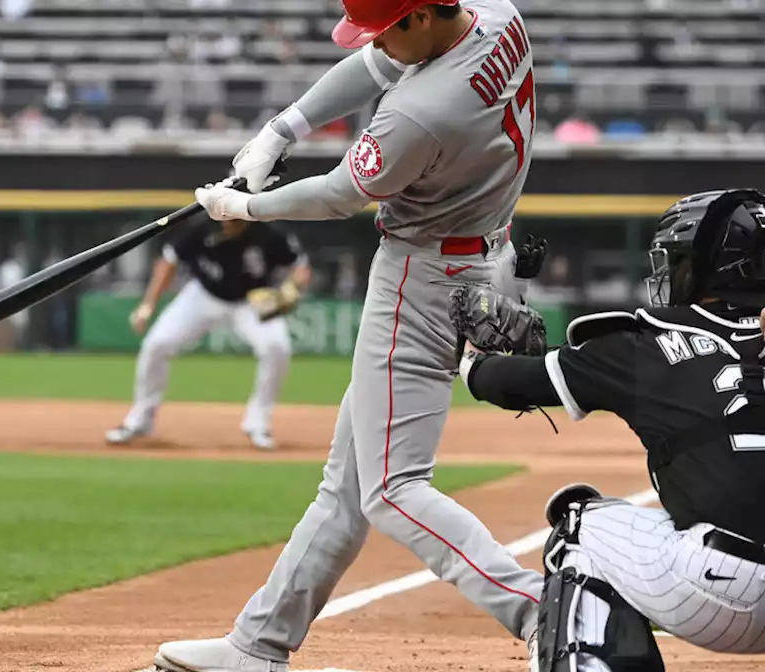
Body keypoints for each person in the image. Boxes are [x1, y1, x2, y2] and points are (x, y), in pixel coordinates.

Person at [152, 0, 546, 669]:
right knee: (348, 485)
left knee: (393, 488)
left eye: (388, 25)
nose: (379, 42)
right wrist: (284, 128)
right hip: (479, 253)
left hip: (422, 277)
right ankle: (258, 644)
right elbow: (376, 60)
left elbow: (338, 196)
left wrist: (243, 206)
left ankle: (545, 613)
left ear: (420, 16)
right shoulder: (497, 16)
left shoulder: (422, 110)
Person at [456, 189, 765, 670]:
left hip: (724, 591)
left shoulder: (647, 344)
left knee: (579, 526)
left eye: (678, 260)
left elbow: (506, 383)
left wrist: (471, 353)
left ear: (708, 267)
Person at [108, 217, 311, 451]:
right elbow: (168, 263)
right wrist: (148, 305)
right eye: (224, 216)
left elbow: (301, 267)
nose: (227, 222)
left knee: (277, 347)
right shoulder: (200, 228)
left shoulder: (269, 233)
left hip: (252, 300)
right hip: (204, 295)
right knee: (157, 344)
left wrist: (291, 290)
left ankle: (258, 422)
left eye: (233, 217)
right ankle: (141, 419)